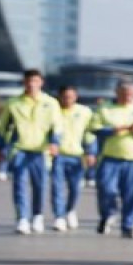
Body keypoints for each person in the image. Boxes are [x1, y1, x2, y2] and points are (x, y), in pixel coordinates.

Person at [0, 69, 62, 235]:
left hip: (41, 151)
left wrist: (54, 143)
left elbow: (58, 126)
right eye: (28, 81)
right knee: (19, 185)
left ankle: (37, 216)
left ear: (41, 83)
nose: (32, 85)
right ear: (24, 83)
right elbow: (0, 127)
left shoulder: (50, 103)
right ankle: (22, 218)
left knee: (39, 185)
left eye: (35, 81)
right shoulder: (14, 103)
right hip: (20, 149)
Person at [89, 79, 133, 239]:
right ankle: (107, 214)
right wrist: (112, 130)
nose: (128, 97)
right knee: (106, 190)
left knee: (131, 194)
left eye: (131, 94)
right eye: (124, 94)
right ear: (117, 92)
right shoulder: (105, 108)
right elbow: (94, 128)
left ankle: (128, 225)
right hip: (109, 157)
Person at [52, 85, 94, 231]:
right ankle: (59, 216)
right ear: (60, 97)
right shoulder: (54, 111)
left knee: (75, 188)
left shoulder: (84, 112)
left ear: (76, 97)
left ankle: (70, 210)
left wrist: (91, 152)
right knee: (57, 187)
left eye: (70, 97)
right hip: (58, 155)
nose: (67, 99)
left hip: (77, 155)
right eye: (65, 97)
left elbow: (90, 133)